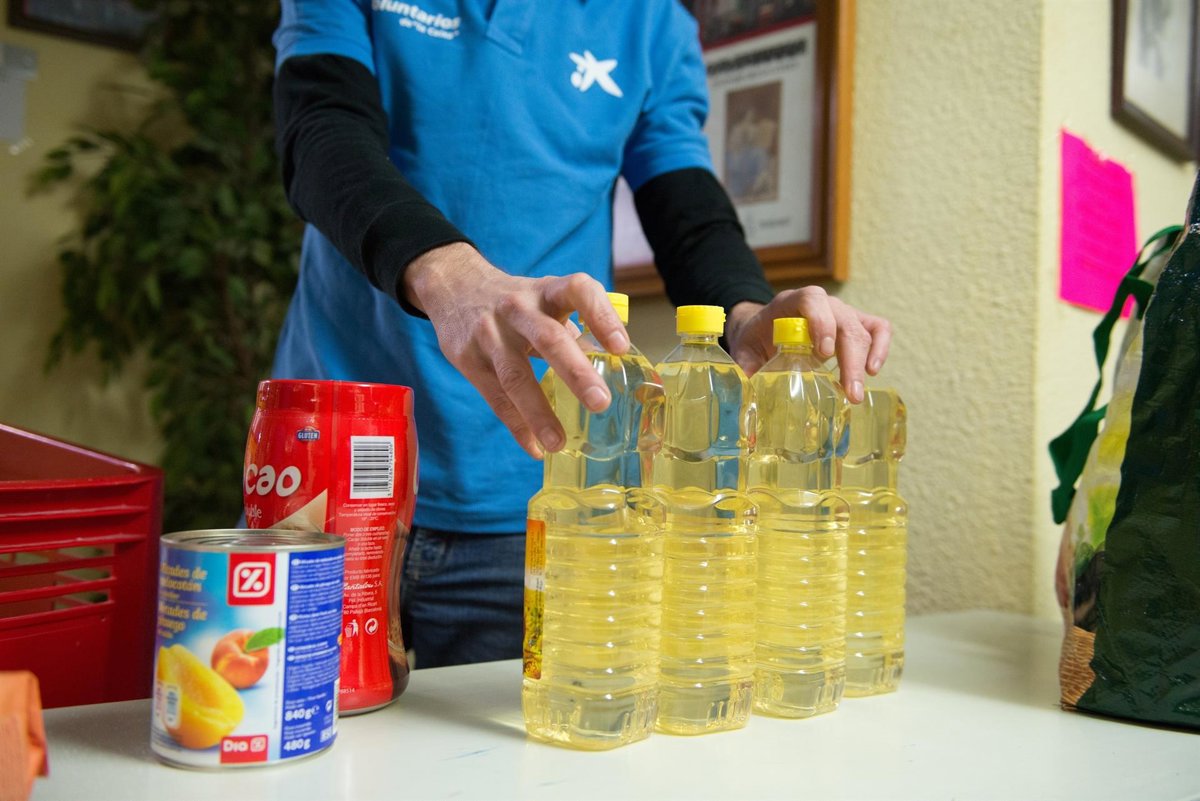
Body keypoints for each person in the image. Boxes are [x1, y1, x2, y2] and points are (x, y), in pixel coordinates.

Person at [271, 0, 892, 668]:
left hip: (536, 494)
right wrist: (445, 272)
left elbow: (686, 208)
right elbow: (321, 131)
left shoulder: (650, 22)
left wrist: (745, 312)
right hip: (326, 473)